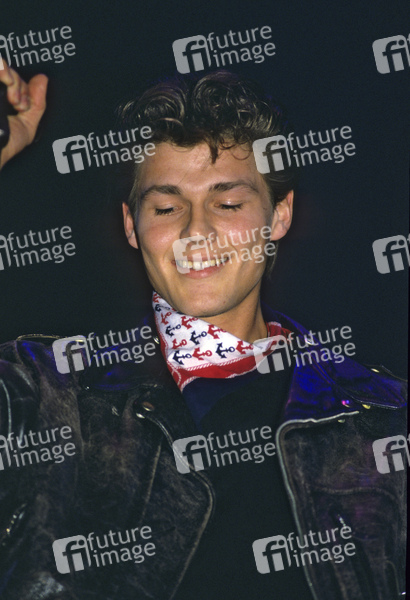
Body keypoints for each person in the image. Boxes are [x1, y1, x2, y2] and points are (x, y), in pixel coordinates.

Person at [0, 61, 406, 600]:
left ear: (279, 216)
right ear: (131, 225)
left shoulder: (380, 419)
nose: (196, 231)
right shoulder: (48, 390)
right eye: (167, 207)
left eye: (228, 203)